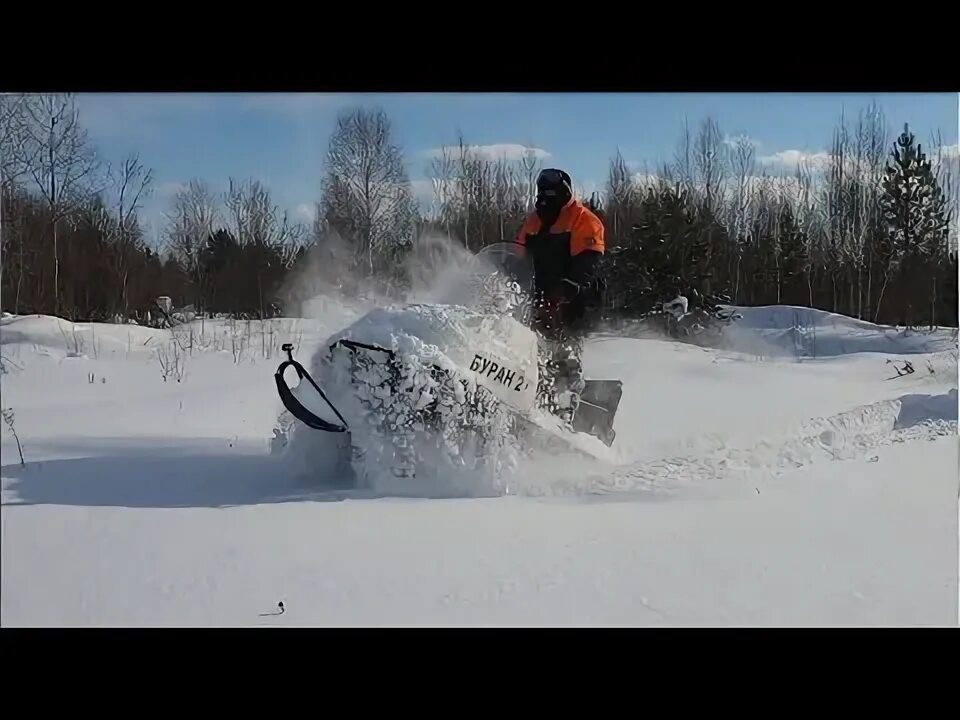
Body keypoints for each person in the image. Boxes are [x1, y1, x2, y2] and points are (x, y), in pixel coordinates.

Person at [514, 168, 606, 418]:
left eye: (551, 194)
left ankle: (565, 409)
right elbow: (516, 257)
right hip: (538, 299)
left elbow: (589, 262)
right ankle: (527, 398)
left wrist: (568, 287)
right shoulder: (533, 222)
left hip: (574, 301)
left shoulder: (583, 219)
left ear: (564, 193)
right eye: (542, 193)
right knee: (528, 349)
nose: (545, 199)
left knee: (562, 351)